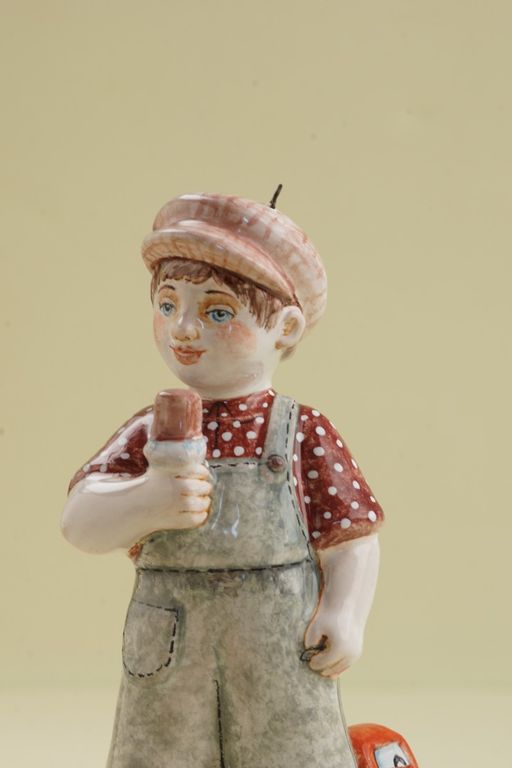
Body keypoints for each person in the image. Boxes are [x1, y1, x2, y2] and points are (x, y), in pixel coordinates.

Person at [61, 192, 384, 768]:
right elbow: (80, 522)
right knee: (164, 751)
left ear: (285, 327)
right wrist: (146, 500)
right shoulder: (150, 431)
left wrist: (344, 614)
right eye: (167, 305)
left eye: (216, 312)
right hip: (171, 645)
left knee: (289, 751)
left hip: (279, 644)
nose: (183, 329)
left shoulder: (302, 431)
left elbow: (351, 539)